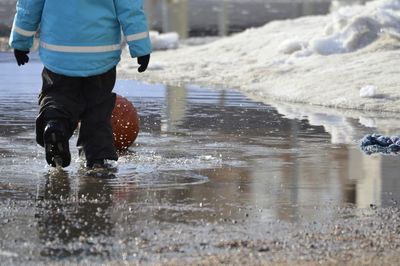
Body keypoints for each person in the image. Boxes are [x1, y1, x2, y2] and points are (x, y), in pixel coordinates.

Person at [9, 0, 152, 168]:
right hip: (100, 53)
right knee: (96, 107)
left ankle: (55, 125)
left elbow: (29, 5)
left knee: (57, 96)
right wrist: (141, 47)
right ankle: (96, 158)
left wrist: (21, 41)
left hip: (58, 52)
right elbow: (130, 9)